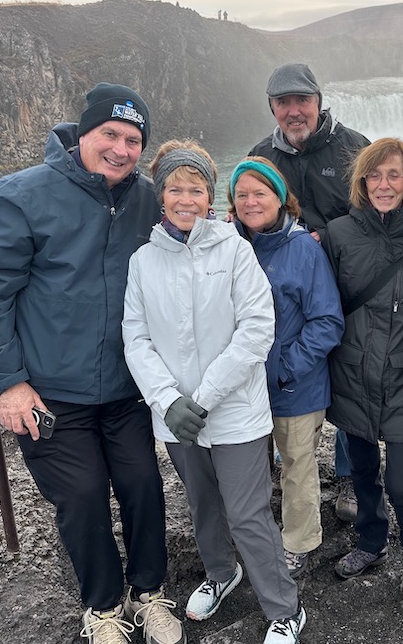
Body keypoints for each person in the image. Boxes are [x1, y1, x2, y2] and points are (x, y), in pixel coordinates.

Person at [0, 83, 185, 644]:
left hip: (124, 387)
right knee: (82, 495)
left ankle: (150, 593)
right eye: (109, 134)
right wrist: (8, 384)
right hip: (49, 393)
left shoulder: (146, 200)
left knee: (142, 485)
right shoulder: (22, 196)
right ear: (82, 135)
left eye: (133, 139)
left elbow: (194, 235)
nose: (121, 148)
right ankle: (104, 606)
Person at [122, 140, 306, 644]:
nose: (185, 198)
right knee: (202, 503)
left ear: (209, 198)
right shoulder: (143, 261)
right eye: (175, 188)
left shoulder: (234, 249)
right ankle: (222, 574)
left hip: (235, 412)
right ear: (161, 196)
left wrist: (200, 398)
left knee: (247, 514)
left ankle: (285, 608)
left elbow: (256, 329)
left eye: (196, 188)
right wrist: (166, 400)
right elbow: (135, 339)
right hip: (175, 417)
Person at [249, 62, 371, 522]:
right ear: (273, 108)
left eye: (302, 100)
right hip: (291, 291)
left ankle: (347, 474)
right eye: (284, 103)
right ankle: (287, 462)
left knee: (349, 381)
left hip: (351, 286)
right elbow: (249, 206)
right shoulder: (263, 154)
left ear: (319, 101)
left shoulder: (353, 147)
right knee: (291, 367)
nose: (294, 111)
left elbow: (378, 207)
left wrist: (325, 235)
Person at [322, 138, 403, 593]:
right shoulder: (339, 234)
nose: (384, 184)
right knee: (363, 469)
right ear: (362, 181)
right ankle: (371, 542)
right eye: (375, 175)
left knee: (401, 479)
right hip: (351, 372)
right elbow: (323, 301)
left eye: (394, 174)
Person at [227, 156, 344, 578]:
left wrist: (285, 368)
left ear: (280, 198)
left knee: (297, 466)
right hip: (240, 385)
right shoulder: (228, 244)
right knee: (251, 467)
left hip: (293, 384)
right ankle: (256, 533)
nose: (250, 201)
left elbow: (327, 320)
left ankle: (299, 540)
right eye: (242, 194)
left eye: (260, 193)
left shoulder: (303, 248)